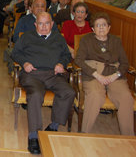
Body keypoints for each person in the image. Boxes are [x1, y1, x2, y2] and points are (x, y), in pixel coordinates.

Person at [12, 12, 74, 154]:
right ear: (35, 25)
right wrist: (24, 62)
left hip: (54, 74)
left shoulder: (58, 38)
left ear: (52, 24)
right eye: (40, 23)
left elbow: (66, 55)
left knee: (69, 92)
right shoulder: (26, 37)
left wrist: (61, 63)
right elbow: (15, 53)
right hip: (32, 74)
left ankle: (53, 125)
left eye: (47, 23)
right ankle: (33, 135)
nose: (44, 26)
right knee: (35, 94)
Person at [75, 12, 134, 135]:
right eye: (97, 25)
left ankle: (129, 138)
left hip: (114, 76)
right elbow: (79, 60)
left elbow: (124, 63)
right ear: (92, 29)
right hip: (93, 75)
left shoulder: (116, 41)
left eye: (104, 25)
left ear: (109, 27)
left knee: (126, 98)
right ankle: (84, 134)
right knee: (95, 95)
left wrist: (115, 75)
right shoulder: (86, 40)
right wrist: (96, 75)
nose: (101, 28)